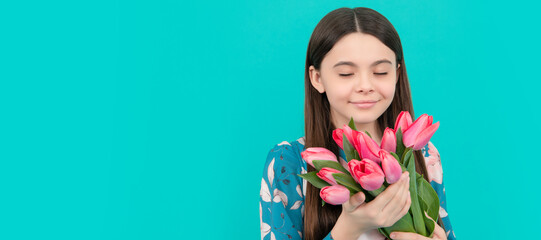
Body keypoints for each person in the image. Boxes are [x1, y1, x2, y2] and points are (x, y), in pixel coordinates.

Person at [259, 7, 456, 240]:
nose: (365, 85)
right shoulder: (290, 162)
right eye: (346, 73)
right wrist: (348, 229)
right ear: (317, 78)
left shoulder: (423, 155)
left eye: (381, 72)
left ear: (397, 73)